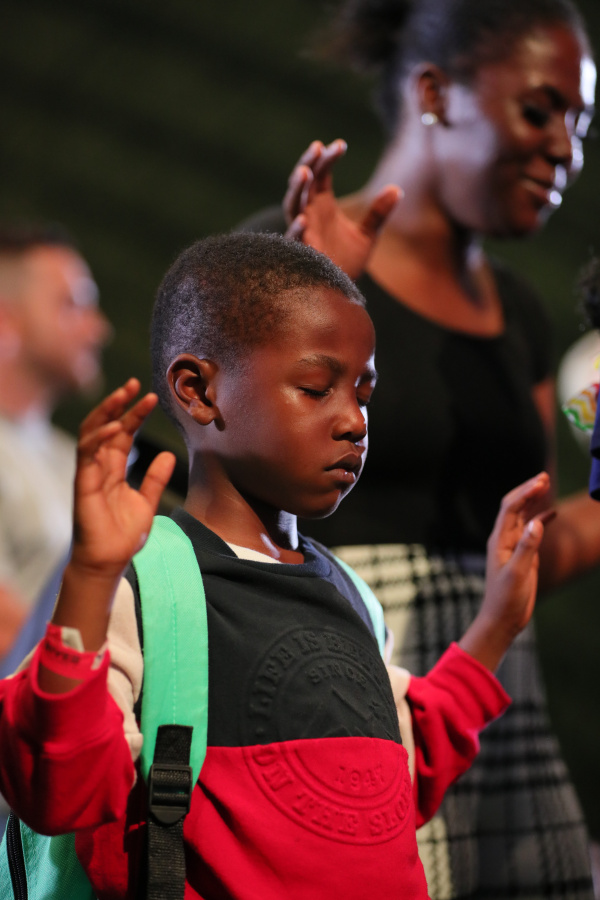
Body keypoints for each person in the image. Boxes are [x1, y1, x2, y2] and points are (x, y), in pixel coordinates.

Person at [0, 232, 553, 899]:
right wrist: (91, 576)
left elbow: (387, 785)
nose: (355, 421)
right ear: (199, 391)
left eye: (363, 394)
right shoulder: (147, 585)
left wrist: (495, 626)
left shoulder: (352, 596)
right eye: (317, 389)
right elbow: (60, 787)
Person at [239, 0, 599, 896]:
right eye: (541, 109)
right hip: (348, 716)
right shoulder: (287, 258)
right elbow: (217, 526)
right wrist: (310, 309)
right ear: (435, 93)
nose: (567, 149)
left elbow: (521, 549)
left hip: (496, 715)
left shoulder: (519, 313)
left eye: (583, 124)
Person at [0, 224, 110, 660]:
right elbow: (9, 633)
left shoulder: (74, 459)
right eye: (73, 305)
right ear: (6, 319)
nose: (98, 329)